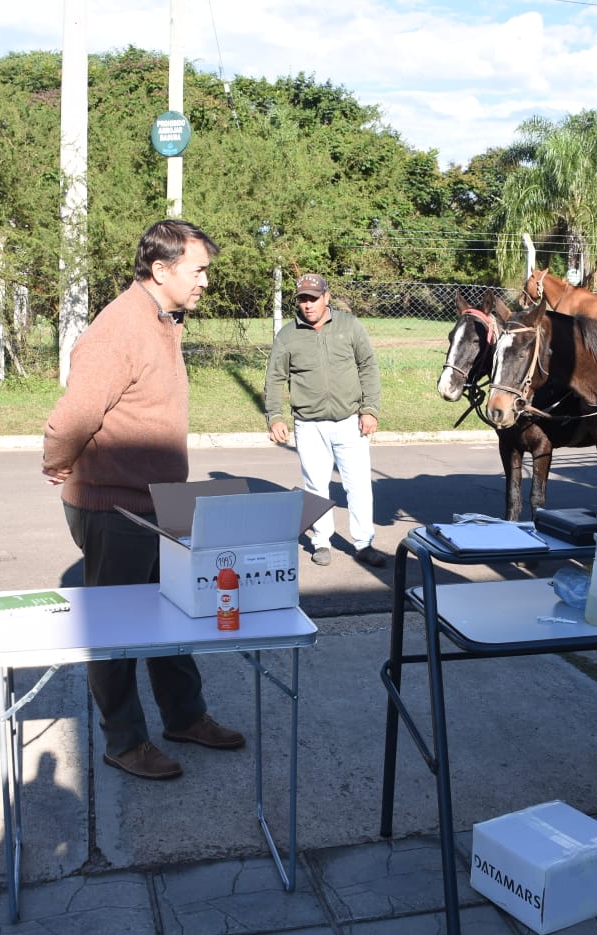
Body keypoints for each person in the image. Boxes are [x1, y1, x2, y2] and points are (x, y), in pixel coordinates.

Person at [43, 219, 245, 782]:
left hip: (160, 504)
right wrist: (57, 461)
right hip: (116, 507)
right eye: (198, 270)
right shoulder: (120, 329)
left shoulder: (161, 321)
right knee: (115, 628)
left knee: (172, 613)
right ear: (161, 270)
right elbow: (73, 417)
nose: (205, 280)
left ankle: (185, 717)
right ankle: (124, 741)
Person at [264, 273, 387, 568]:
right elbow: (275, 377)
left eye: (313, 298)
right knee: (316, 485)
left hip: (349, 420)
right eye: (303, 299)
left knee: (357, 484)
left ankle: (363, 543)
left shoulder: (349, 325)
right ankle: (321, 542)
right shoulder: (288, 334)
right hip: (309, 423)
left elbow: (368, 366)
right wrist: (274, 417)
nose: (308, 305)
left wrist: (370, 409)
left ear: (326, 297)